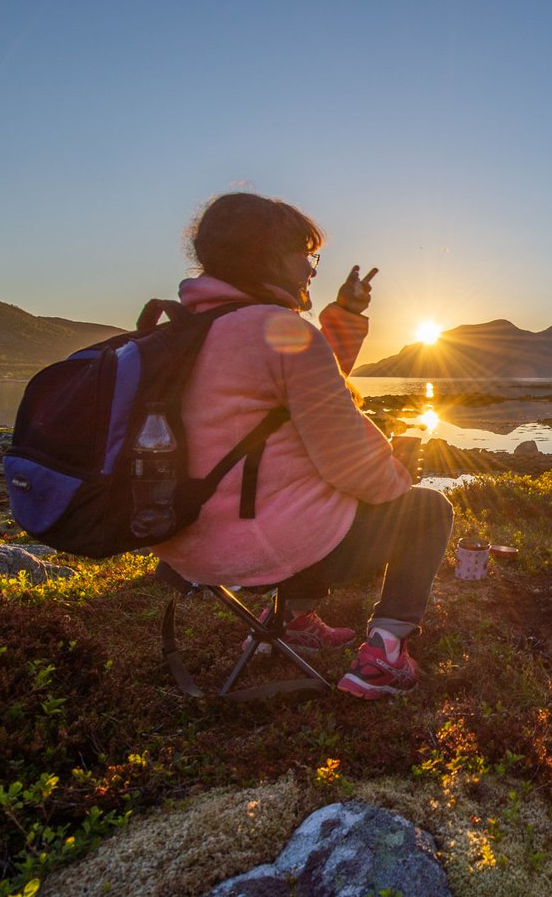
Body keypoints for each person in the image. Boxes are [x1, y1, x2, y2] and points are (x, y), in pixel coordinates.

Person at [151, 192, 453, 700]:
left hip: (183, 542)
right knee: (423, 510)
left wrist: (345, 313)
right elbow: (353, 466)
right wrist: (399, 471)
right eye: (306, 254)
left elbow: (301, 381)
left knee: (309, 491)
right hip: (254, 547)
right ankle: (385, 656)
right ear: (265, 254)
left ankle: (290, 619)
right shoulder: (279, 332)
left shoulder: (186, 330)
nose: (312, 269)